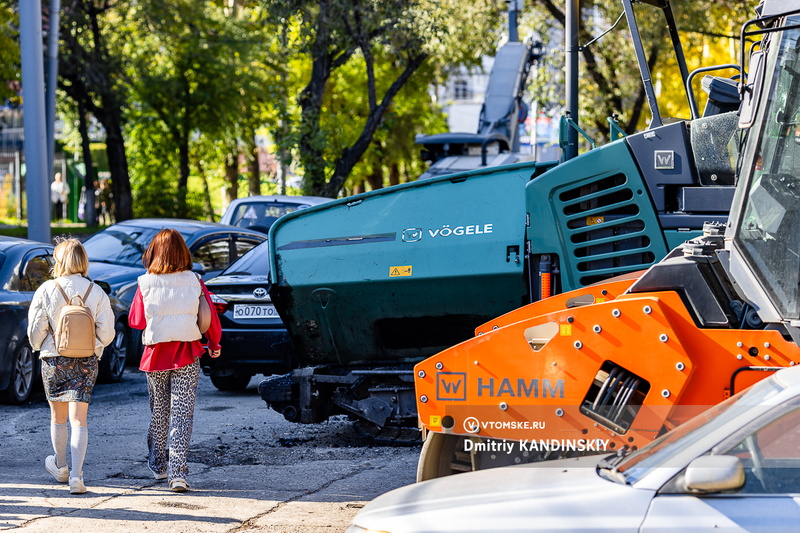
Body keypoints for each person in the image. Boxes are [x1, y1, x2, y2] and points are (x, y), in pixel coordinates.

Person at [128, 229, 221, 493]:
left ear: (154, 253)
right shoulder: (195, 280)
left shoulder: (145, 282)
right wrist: (214, 344)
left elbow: (136, 320)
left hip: (155, 354)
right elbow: (209, 317)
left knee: (160, 410)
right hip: (188, 352)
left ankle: (158, 463)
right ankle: (178, 473)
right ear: (183, 252)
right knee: (182, 413)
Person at [27, 238, 115, 494]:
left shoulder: (47, 289)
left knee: (58, 417)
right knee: (79, 420)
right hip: (86, 361)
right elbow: (107, 334)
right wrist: (93, 346)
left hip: (54, 360)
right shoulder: (96, 291)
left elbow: (35, 333)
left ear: (60, 261)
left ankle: (61, 466)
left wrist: (44, 345)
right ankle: (77, 477)